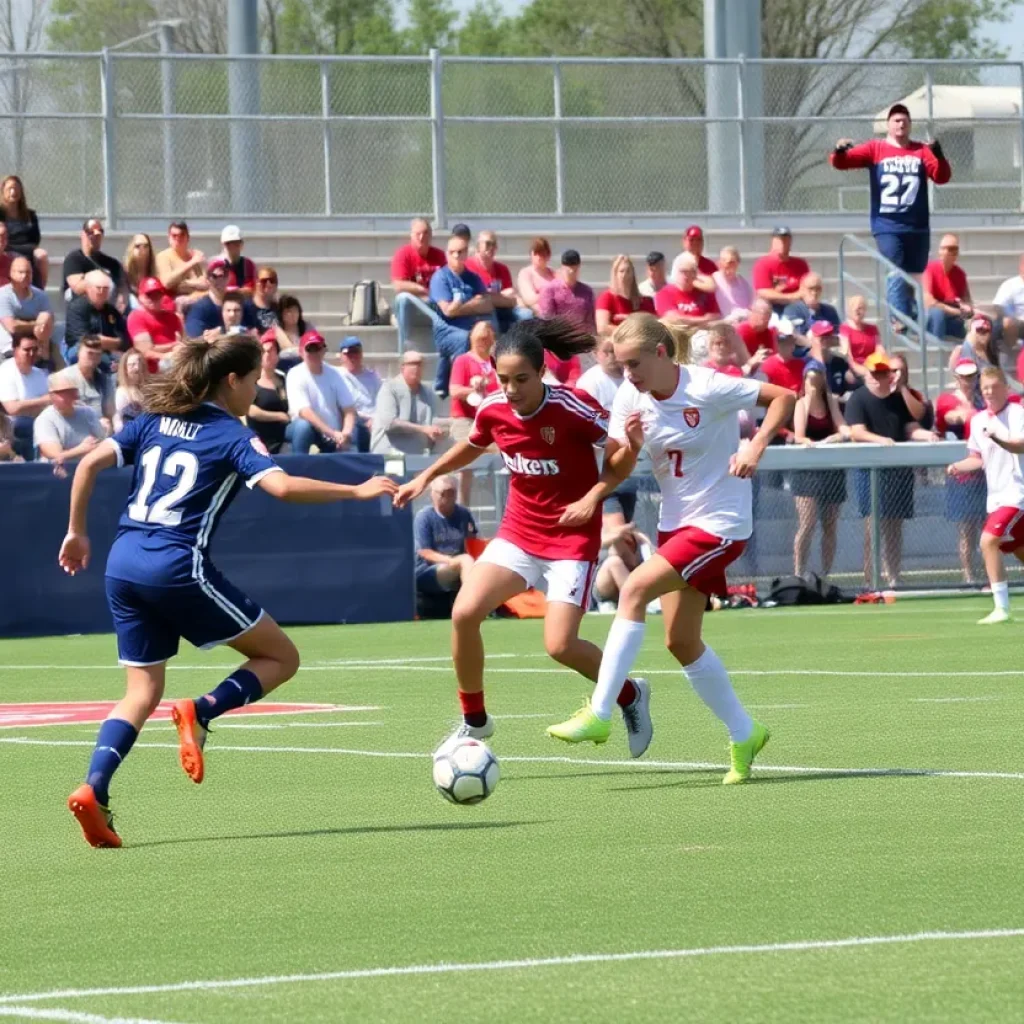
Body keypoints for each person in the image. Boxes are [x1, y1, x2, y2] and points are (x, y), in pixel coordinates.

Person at [59, 333, 397, 847]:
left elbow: (86, 464)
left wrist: (77, 532)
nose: (258, 392)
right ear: (232, 380)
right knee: (281, 658)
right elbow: (283, 487)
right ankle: (202, 709)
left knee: (141, 692)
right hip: (176, 566)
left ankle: (94, 788)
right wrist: (356, 489)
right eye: (255, 381)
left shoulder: (152, 419)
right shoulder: (231, 434)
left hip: (122, 564)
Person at [545, 312, 795, 780]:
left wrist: (756, 444)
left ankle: (600, 712)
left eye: (634, 364)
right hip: (675, 525)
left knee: (634, 589)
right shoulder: (629, 396)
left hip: (720, 524)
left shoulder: (707, 385)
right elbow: (617, 468)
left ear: (661, 353)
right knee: (681, 641)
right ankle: (746, 732)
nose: (628, 375)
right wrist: (628, 452)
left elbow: (785, 396)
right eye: (621, 365)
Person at [394, 319, 652, 757]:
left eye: (521, 379)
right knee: (464, 613)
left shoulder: (574, 407)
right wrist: (427, 476)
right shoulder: (494, 407)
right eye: (503, 379)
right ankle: (475, 720)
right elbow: (475, 443)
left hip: (570, 540)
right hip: (518, 533)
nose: (510, 389)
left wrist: (601, 486)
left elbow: (619, 460)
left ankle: (631, 694)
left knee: (560, 646)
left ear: (542, 372)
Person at [830, 104, 952, 324]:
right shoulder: (875, 149)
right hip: (887, 225)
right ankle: (899, 321)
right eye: (896, 120)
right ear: (888, 125)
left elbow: (942, 177)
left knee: (914, 275)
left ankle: (910, 319)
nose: (900, 124)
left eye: (905, 120)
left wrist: (939, 155)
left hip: (917, 226)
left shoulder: (921, 150)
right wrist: (839, 151)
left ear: (910, 125)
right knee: (895, 268)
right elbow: (841, 163)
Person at [845, 351, 937, 589]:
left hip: (898, 470)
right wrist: (881, 441)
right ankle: (871, 577)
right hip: (871, 470)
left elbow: (910, 427)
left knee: (895, 525)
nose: (878, 378)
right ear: (867, 375)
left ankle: (894, 574)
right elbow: (857, 432)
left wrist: (926, 435)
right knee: (872, 525)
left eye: (882, 373)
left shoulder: (898, 399)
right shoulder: (858, 398)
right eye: (874, 373)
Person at [947, 367, 1024, 624]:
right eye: (985, 388)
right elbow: (977, 458)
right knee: (1019, 549)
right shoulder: (978, 420)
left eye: (994, 387)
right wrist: (958, 466)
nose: (989, 392)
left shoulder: (1017, 413)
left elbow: (1020, 445)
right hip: (996, 499)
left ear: (1006, 388)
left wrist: (998, 438)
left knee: (988, 541)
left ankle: (1002, 608)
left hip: (1017, 495)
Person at [792, 363, 850, 578]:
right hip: (807, 471)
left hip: (831, 470)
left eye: (818, 379)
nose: (815, 385)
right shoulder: (801, 404)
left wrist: (836, 437)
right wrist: (811, 443)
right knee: (807, 523)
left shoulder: (831, 401)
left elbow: (843, 428)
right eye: (811, 380)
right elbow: (799, 436)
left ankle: (825, 574)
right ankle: (799, 572)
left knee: (830, 525)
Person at [937, 360, 987, 585]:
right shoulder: (947, 400)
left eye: (972, 376)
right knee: (967, 530)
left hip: (986, 472)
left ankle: (987, 573)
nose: (968, 381)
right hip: (962, 475)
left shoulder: (983, 401)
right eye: (964, 377)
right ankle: (969, 575)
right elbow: (950, 418)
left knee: (986, 528)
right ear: (956, 378)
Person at [428, 233, 493, 397]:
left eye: (460, 251)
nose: (456, 255)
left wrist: (460, 306)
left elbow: (487, 304)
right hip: (446, 331)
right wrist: (473, 304)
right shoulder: (440, 278)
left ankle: (488, 383)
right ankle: (459, 384)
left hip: (470, 328)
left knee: (489, 332)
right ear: (446, 254)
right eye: (452, 252)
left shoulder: (473, 278)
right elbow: (448, 312)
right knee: (465, 338)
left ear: (466, 254)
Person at [449, 321, 499, 505]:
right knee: (465, 465)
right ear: (472, 339)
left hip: (492, 419)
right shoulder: (463, 360)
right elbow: (454, 390)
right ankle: (463, 508)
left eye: (486, 339)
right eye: (479, 339)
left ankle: (501, 505)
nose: (483, 342)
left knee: (503, 460)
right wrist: (474, 390)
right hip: (466, 419)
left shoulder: (496, 363)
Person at [414, 475, 479, 615]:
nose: (447, 497)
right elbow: (425, 552)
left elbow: (472, 542)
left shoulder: (463, 514)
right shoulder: (424, 517)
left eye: (452, 492)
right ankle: (471, 606)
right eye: (443, 493)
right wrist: (451, 561)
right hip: (428, 571)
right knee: (465, 560)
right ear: (433, 494)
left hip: (460, 567)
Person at [285, 330, 357, 454]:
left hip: (333, 434)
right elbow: (304, 412)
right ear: (301, 352)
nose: (315, 353)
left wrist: (346, 433)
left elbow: (349, 409)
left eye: (319, 348)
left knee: (357, 431)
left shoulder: (335, 374)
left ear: (324, 350)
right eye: (310, 348)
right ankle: (299, 463)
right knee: (303, 427)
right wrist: (331, 433)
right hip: (310, 431)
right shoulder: (295, 374)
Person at [370, 349, 445, 455]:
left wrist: (436, 432)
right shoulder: (389, 388)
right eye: (412, 364)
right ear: (402, 367)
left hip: (417, 455)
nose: (417, 368)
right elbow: (389, 423)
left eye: (420, 364)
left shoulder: (427, 393)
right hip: (390, 452)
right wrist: (423, 429)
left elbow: (430, 422)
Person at [391, 218, 447, 349]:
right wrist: (423, 290)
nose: (422, 237)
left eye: (425, 233)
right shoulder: (403, 254)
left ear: (431, 235)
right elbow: (398, 285)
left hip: (434, 304)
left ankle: (445, 346)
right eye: (418, 234)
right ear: (411, 235)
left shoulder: (440, 256)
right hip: (414, 304)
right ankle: (405, 347)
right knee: (403, 299)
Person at [34, 370, 107, 464]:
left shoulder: (88, 413)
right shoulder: (45, 419)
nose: (70, 396)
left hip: (89, 465)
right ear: (52, 396)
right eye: (64, 393)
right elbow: (54, 455)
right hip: (58, 470)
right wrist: (81, 450)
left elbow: (102, 442)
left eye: (72, 392)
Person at [465, 230, 530, 333]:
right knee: (492, 322)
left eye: (494, 244)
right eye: (487, 244)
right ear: (478, 246)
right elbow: (477, 297)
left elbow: (511, 295)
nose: (491, 247)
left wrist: (493, 296)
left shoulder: (502, 269)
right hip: (481, 311)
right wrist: (499, 296)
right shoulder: (468, 266)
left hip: (503, 308)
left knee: (527, 315)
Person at [0, 332, 50, 459]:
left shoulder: (40, 374)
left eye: (35, 349)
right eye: (27, 350)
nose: (31, 354)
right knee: (28, 424)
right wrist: (44, 400)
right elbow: (12, 409)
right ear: (15, 350)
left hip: (37, 420)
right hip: (11, 426)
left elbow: (49, 405)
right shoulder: (6, 371)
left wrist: (32, 406)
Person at [64, 270, 129, 363]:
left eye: (105, 288)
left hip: (108, 353)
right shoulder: (77, 307)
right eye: (98, 288)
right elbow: (84, 340)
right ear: (88, 288)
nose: (101, 292)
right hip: (81, 352)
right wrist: (112, 343)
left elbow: (124, 339)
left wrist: (108, 342)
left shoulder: (111, 311)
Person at [0, 255, 55, 362]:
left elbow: (47, 324)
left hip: (36, 343)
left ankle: (43, 359)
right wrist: (37, 324)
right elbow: (12, 327)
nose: (25, 275)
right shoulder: (2, 295)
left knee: (46, 317)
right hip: (9, 347)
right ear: (11, 273)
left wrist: (24, 324)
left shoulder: (41, 296)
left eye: (28, 272)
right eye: (20, 272)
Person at [184, 261, 259, 338]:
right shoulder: (200, 308)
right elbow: (195, 338)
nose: (220, 280)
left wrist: (223, 331)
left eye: (224, 275)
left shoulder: (242, 303)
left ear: (229, 277)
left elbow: (255, 332)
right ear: (207, 279)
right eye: (214, 276)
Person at [126, 277, 184, 374]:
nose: (154, 298)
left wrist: (178, 348)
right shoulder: (136, 317)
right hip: (152, 370)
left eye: (157, 294)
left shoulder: (172, 317)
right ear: (140, 297)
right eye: (149, 295)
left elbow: (183, 342)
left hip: (175, 364)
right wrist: (171, 351)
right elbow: (145, 351)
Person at [62, 218, 126, 305]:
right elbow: (77, 288)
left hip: (107, 307)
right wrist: (101, 278)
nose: (95, 236)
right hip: (81, 308)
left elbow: (122, 289)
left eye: (100, 232)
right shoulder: (74, 259)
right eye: (90, 232)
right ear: (83, 235)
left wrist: (121, 302)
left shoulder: (112, 263)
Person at [923, 234, 973, 341]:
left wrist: (967, 307)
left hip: (952, 315)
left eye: (952, 249)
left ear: (957, 253)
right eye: (943, 248)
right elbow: (929, 302)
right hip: (931, 314)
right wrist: (956, 311)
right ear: (939, 251)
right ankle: (936, 348)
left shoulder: (960, 274)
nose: (947, 252)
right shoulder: (930, 269)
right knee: (938, 314)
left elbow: (967, 299)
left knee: (975, 321)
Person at [0, 175, 47, 287]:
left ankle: (39, 291)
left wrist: (31, 249)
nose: (13, 192)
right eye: (10, 189)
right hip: (7, 248)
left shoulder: (30, 215)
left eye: (16, 188)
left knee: (42, 255)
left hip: (29, 249)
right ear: (3, 191)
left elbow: (36, 239)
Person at [537, 249, 596, 336]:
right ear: (562, 268)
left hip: (581, 337)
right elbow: (546, 319)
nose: (571, 272)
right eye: (568, 270)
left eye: (575, 270)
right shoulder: (550, 290)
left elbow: (590, 321)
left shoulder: (587, 291)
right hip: (558, 337)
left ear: (578, 268)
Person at [337, 337, 382, 453]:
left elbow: (383, 402)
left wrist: (376, 419)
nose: (353, 357)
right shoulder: (336, 375)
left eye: (356, 352)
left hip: (373, 420)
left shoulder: (373, 377)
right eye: (348, 354)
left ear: (361, 354)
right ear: (341, 356)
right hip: (350, 419)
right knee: (354, 423)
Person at [594, 522, 652, 610]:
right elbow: (599, 541)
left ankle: (646, 601)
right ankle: (636, 601)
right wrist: (619, 534)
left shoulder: (641, 540)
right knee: (614, 562)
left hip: (634, 583)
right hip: (606, 589)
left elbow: (638, 561)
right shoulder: (611, 539)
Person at [752, 227, 810, 315]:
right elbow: (764, 292)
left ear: (790, 242)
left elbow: (808, 287)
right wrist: (793, 296)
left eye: (786, 240)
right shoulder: (763, 264)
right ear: (772, 242)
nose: (782, 243)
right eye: (779, 240)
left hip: (798, 306)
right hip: (772, 308)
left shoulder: (800, 264)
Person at [248, 334, 290, 454]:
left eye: (271, 351)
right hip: (261, 439)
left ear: (277, 355)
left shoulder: (283, 378)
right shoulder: (252, 379)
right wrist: (279, 416)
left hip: (284, 436)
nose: (267, 355)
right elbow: (251, 410)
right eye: (264, 351)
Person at [595, 256, 656, 337]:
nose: (625, 275)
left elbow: (656, 326)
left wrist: (632, 320)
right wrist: (631, 333)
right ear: (615, 274)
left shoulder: (646, 301)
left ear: (633, 274)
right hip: (616, 343)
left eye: (628, 271)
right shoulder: (606, 298)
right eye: (621, 271)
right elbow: (602, 328)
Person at [655, 253, 721, 327]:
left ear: (696, 274)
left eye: (691, 271)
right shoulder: (664, 293)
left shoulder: (705, 293)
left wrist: (689, 321)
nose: (686, 276)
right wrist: (703, 319)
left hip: (704, 332)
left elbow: (716, 316)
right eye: (683, 271)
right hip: (678, 332)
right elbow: (673, 319)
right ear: (676, 273)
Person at [65, 335, 115, 432]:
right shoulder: (65, 378)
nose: (93, 358)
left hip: (100, 429)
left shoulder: (104, 380)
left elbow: (109, 413)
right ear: (79, 353)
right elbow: (66, 413)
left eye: (98, 354)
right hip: (74, 430)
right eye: (90, 353)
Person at [155, 220, 208, 303]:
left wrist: (185, 283)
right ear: (169, 238)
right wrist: (191, 262)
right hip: (177, 303)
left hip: (201, 300)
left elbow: (206, 283)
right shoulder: (163, 257)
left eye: (182, 235)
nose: (178, 238)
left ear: (188, 238)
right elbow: (167, 283)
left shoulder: (197, 255)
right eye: (174, 235)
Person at [839, 294, 881, 381]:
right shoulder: (845, 329)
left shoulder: (873, 329)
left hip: (872, 366)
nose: (857, 310)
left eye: (860, 308)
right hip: (854, 369)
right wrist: (865, 371)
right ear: (849, 310)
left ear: (865, 310)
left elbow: (879, 350)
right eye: (853, 307)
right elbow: (848, 357)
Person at [992, 253, 1024, 353]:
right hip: (1017, 323)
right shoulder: (1010, 285)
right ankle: (1013, 353)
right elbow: (998, 307)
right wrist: (1011, 317)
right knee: (1007, 322)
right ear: (1020, 266)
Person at [669, 225, 717, 293]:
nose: (695, 243)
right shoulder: (680, 262)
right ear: (684, 242)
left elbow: (716, 287)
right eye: (691, 240)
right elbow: (676, 285)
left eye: (699, 240)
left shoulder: (709, 264)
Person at [712, 246, 755, 321]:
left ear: (737, 263)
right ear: (718, 263)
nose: (726, 265)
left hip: (743, 320)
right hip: (723, 323)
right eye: (723, 261)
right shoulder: (714, 279)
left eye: (731, 262)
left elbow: (750, 306)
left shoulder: (743, 282)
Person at [516, 237, 555, 313]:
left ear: (548, 255)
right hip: (536, 314)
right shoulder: (525, 273)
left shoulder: (553, 273)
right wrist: (550, 294)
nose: (539, 257)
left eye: (542, 254)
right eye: (536, 253)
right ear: (531, 255)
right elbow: (529, 299)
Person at [113, 350, 147, 432]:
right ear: (125, 369)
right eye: (132, 365)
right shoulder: (122, 392)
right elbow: (119, 420)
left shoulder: (148, 389)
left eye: (140, 364)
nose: (137, 368)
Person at [218, 225, 256, 295]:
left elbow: (251, 289)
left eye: (236, 243)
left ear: (241, 244)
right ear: (223, 245)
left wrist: (230, 291)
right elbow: (214, 290)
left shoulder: (248, 264)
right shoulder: (216, 264)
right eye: (228, 244)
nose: (232, 247)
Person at [122, 234, 156, 306]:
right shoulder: (124, 271)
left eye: (146, 246)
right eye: (138, 246)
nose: (142, 248)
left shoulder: (155, 269)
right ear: (132, 249)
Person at [251, 266, 281, 333]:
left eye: (272, 281)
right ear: (256, 283)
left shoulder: (280, 308)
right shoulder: (246, 308)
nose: (268, 284)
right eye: (264, 281)